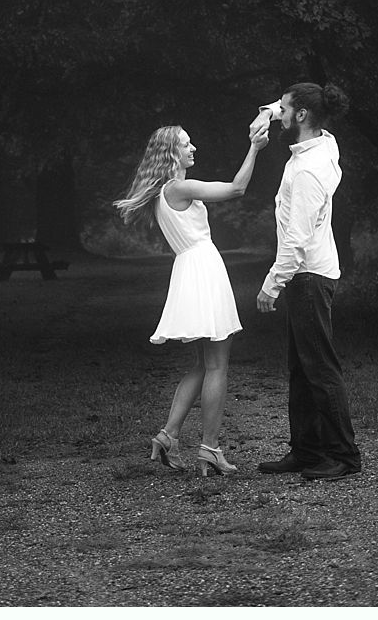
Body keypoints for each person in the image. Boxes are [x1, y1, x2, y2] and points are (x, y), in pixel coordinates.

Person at [114, 113, 270, 477]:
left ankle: (169, 436)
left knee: (201, 365)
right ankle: (210, 449)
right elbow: (236, 190)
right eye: (186, 143)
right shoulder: (177, 188)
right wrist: (255, 147)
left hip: (190, 270)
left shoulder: (162, 194)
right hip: (202, 269)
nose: (193, 147)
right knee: (217, 364)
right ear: (172, 153)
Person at [255, 82, 362, 481]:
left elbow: (296, 240)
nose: (278, 113)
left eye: (284, 109)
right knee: (301, 368)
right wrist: (270, 111)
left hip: (308, 276)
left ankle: (344, 456)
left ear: (301, 115)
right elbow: (290, 111)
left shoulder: (308, 170)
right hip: (310, 274)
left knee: (319, 368)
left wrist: (272, 284)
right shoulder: (320, 146)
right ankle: (307, 449)